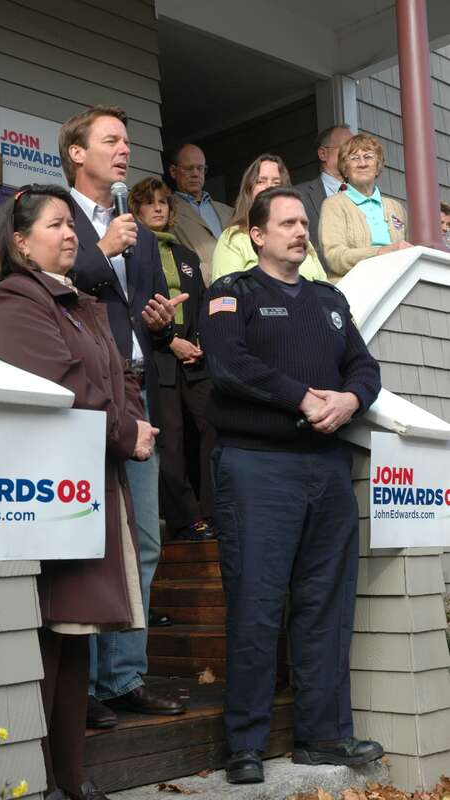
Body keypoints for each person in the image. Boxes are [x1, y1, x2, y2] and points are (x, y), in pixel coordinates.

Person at [0, 184, 157, 800]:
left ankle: (73, 783)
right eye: (57, 224)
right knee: (50, 634)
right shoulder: (15, 300)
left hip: (89, 484)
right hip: (44, 496)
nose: (71, 233)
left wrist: (131, 419)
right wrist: (128, 430)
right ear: (21, 241)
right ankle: (45, 783)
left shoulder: (83, 302)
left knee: (76, 632)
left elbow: (119, 377)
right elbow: (65, 391)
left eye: (72, 225)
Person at [199, 186, 383, 784]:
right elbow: (229, 367)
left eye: (304, 222)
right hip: (257, 466)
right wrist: (303, 397)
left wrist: (351, 398)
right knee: (255, 603)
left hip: (326, 469)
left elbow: (364, 366)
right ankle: (246, 744)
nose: (300, 231)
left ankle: (323, 736)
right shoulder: (232, 294)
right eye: (287, 223)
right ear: (256, 235)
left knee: (325, 605)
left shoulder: (329, 300)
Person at [58, 105, 186, 729]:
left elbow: (131, 313)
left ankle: (121, 679)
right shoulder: (55, 217)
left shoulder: (132, 228)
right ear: (77, 153)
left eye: (128, 141)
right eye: (111, 140)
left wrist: (158, 325)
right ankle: (77, 688)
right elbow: (51, 285)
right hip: (85, 396)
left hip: (137, 391)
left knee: (144, 541)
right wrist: (99, 250)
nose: (124, 149)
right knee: (87, 540)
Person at [129, 177, 217, 541]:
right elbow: (137, 310)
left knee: (212, 430)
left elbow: (200, 305)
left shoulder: (188, 257)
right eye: (149, 203)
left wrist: (196, 343)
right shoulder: (132, 255)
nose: (158, 207)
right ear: (136, 210)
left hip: (195, 361)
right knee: (172, 441)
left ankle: (215, 513)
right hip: (159, 358)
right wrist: (171, 340)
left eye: (163, 201)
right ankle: (186, 519)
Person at [211, 153, 327, 283]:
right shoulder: (233, 238)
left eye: (276, 182)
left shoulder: (300, 236)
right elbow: (225, 293)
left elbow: (323, 285)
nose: (269, 187)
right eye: (261, 181)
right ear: (249, 190)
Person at [319, 133, 413, 282]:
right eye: (354, 158)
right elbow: (334, 257)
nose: (362, 163)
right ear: (345, 168)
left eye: (368, 157)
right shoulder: (334, 205)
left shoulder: (396, 208)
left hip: (396, 284)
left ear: (378, 166)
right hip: (355, 287)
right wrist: (380, 252)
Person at [168, 143, 232, 286]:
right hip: (204, 292)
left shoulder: (228, 211)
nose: (195, 174)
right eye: (189, 168)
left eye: (200, 168)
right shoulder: (168, 213)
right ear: (173, 171)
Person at [295, 124, 352, 262]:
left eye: (355, 148)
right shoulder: (298, 195)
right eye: (346, 147)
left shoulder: (365, 195)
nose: (353, 153)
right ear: (323, 154)